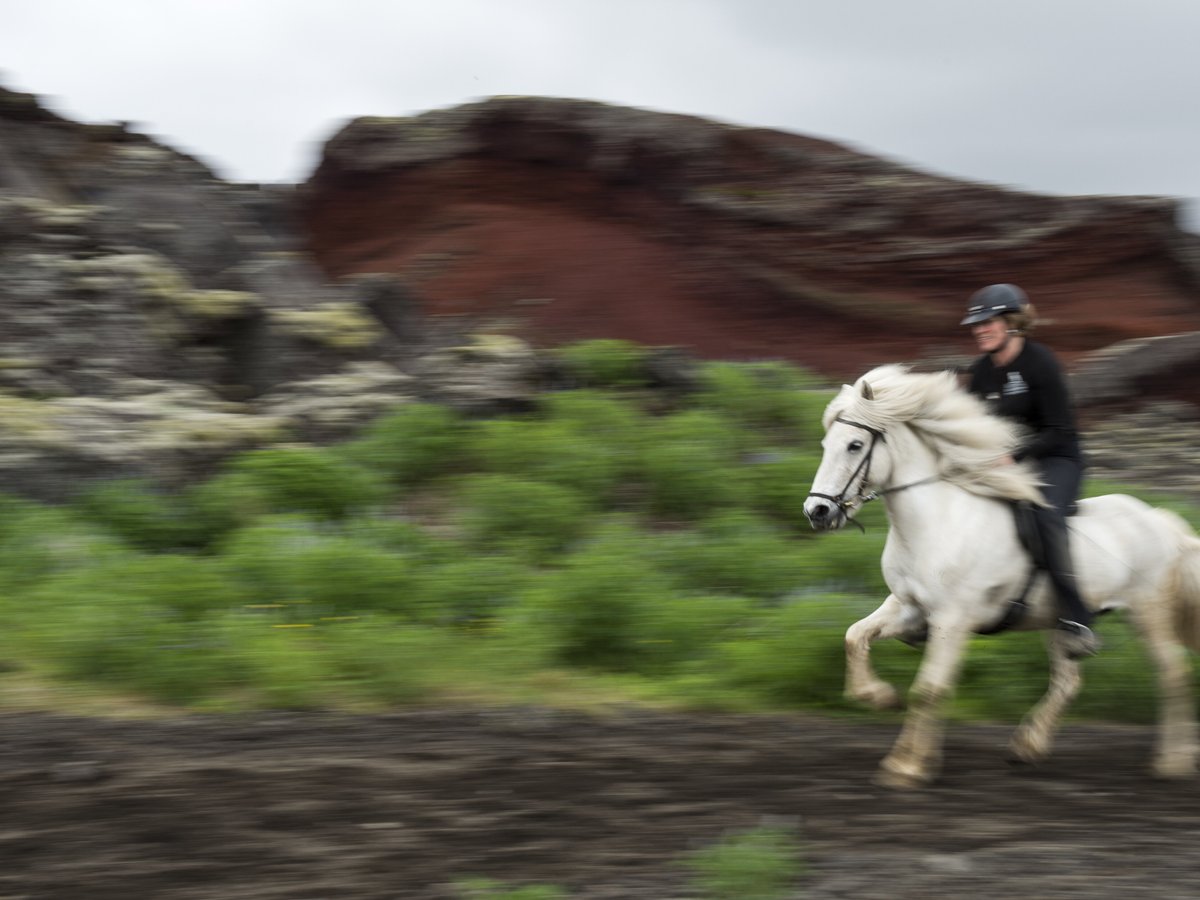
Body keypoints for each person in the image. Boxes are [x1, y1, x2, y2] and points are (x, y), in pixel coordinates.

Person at [960, 283, 1100, 659]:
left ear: (1011, 323)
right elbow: (971, 427)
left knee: (1045, 514)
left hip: (1058, 459)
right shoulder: (980, 373)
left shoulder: (1042, 363)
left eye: (987, 322)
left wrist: (1014, 456)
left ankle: (1079, 617)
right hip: (1009, 462)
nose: (979, 330)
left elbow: (1061, 430)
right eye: (976, 325)